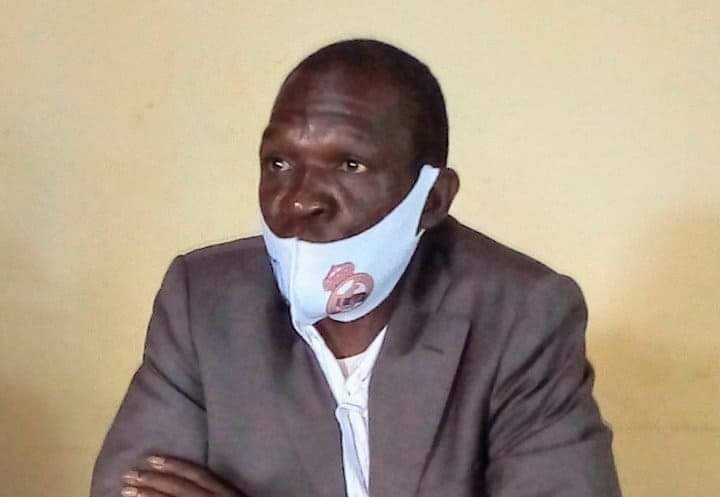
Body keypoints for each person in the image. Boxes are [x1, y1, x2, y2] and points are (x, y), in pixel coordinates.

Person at [91, 39, 621, 497]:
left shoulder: (520, 313)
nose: (299, 200)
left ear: (432, 199)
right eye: (279, 162)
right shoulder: (205, 302)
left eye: (350, 164)